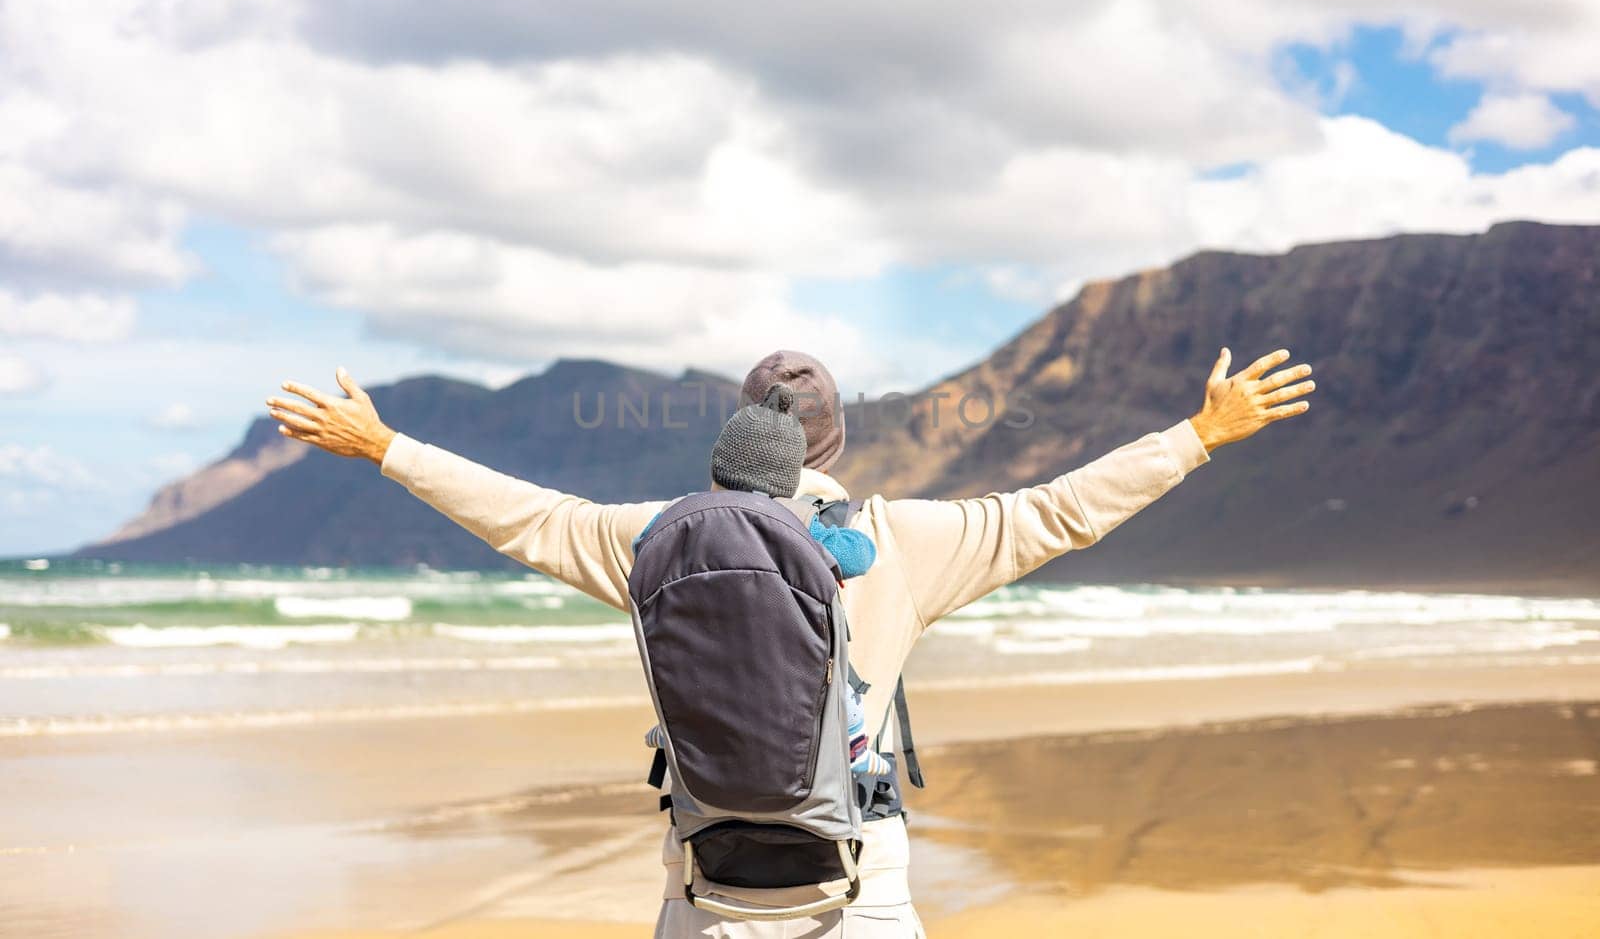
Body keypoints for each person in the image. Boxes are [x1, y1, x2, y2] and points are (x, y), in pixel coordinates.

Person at [267, 344, 1314, 937]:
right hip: (858, 883)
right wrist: (1198, 435)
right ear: (836, 440)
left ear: (732, 442)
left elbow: (525, 514)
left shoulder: (652, 535)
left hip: (703, 881)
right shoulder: (902, 537)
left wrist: (384, 445)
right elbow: (1054, 511)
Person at [639, 381, 886, 780]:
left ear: (718, 467)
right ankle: (854, 750)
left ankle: (674, 732)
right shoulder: (799, 525)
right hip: (777, 677)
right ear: (787, 482)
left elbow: (643, 544)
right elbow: (860, 556)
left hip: (703, 666)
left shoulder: (680, 516)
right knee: (846, 692)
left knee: (687, 678)